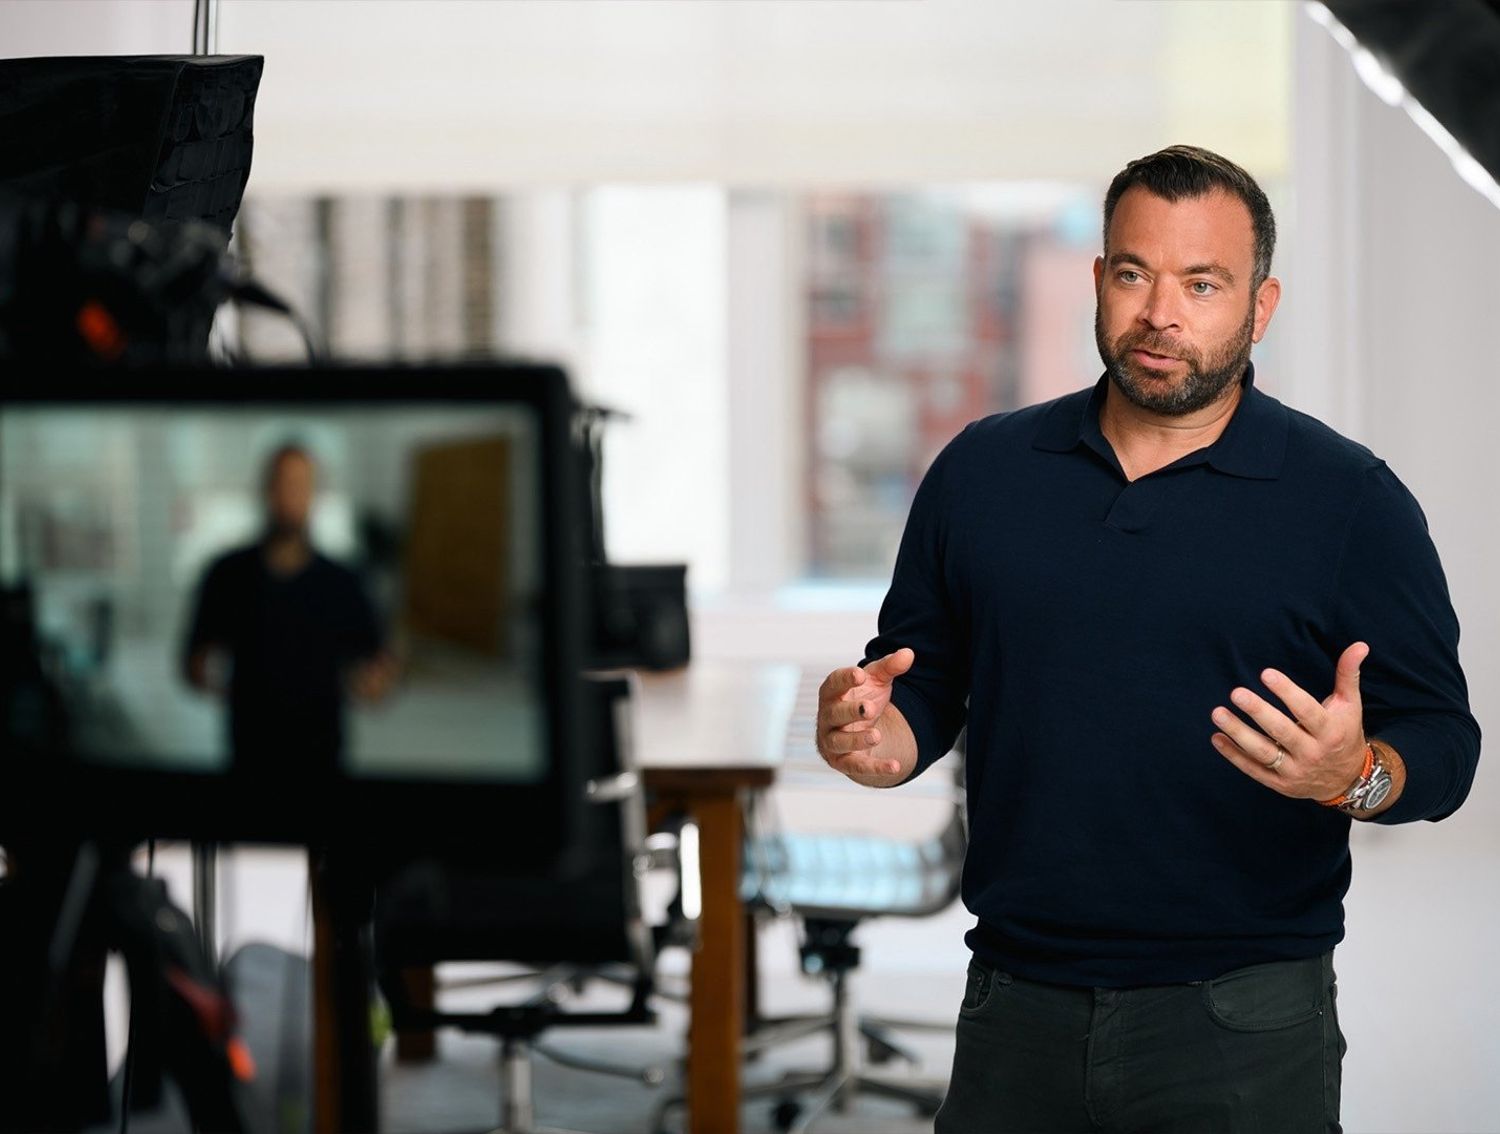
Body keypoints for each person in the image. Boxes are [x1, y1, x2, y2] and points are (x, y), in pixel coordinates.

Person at [815, 145, 1480, 1133]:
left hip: (1241, 1024)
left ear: (1261, 308)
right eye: (1134, 274)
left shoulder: (1349, 502)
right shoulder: (983, 473)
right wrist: (875, 742)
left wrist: (1354, 776)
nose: (1161, 313)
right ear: (1098, 280)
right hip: (1014, 1004)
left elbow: (1443, 751)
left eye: (1202, 284)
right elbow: (925, 682)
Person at [183, 443, 396, 774]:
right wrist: (208, 676)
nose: (289, 495)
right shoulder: (227, 575)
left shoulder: (344, 582)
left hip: (323, 754)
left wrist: (375, 683)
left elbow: (376, 671)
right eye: (281, 483)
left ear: (315, 494)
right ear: (265, 490)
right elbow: (194, 663)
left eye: (300, 485)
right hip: (249, 752)